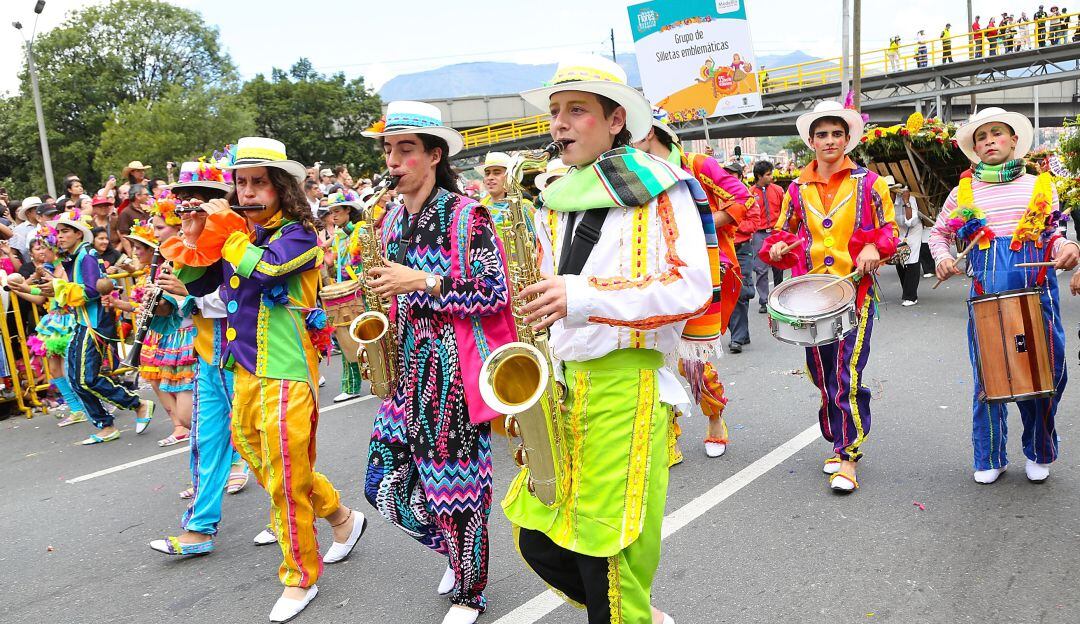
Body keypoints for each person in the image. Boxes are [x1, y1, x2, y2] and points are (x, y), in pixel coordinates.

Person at [505, 54, 714, 624]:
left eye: (578, 111)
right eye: (555, 112)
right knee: (538, 538)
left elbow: (693, 286)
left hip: (627, 387)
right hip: (564, 387)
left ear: (616, 119)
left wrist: (584, 296)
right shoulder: (553, 198)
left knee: (609, 558)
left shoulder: (662, 190)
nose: (560, 124)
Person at [174, 137, 365, 623]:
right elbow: (198, 286)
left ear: (281, 187)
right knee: (266, 466)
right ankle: (341, 518)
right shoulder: (238, 233)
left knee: (283, 481)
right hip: (243, 371)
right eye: (242, 182)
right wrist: (196, 235)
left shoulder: (299, 234)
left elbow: (268, 270)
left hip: (286, 371)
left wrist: (228, 229)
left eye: (259, 182)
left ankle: (300, 576)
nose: (249, 190)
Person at [361, 100, 515, 624]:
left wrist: (423, 282)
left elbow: (496, 293)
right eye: (388, 150)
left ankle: (471, 591)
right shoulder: (387, 222)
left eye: (405, 149)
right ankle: (459, 554)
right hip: (406, 366)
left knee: (458, 490)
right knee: (379, 481)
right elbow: (389, 291)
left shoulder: (465, 215)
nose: (393, 160)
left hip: (452, 368)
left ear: (434, 154)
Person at [930, 107, 1079, 484]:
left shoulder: (1039, 186)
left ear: (1014, 140)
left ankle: (1039, 450)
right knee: (989, 379)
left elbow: (1051, 234)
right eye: (981, 137)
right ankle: (990, 455)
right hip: (986, 298)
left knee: (1046, 376)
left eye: (997, 133)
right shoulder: (962, 192)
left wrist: (1067, 246)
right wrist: (944, 258)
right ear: (975, 149)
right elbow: (939, 235)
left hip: (1037, 294)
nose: (989, 141)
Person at [760, 100, 899, 493]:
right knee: (820, 375)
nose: (830, 140)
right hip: (808, 299)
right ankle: (836, 442)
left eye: (837, 133)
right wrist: (777, 249)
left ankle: (848, 456)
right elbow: (781, 233)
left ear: (848, 138)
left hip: (853, 294)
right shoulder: (797, 188)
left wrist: (876, 249)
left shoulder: (870, 184)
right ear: (810, 140)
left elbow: (890, 230)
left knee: (845, 375)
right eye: (822, 134)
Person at [632, 106, 751, 461]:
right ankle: (666, 434)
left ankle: (714, 415)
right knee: (651, 356)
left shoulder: (697, 166)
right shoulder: (632, 175)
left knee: (691, 360)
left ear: (650, 132)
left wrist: (699, 223)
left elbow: (743, 200)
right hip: (651, 277)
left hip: (701, 273)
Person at [150, 158, 253, 557]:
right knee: (206, 442)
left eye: (195, 200)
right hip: (208, 359)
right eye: (181, 201)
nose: (185, 209)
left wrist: (185, 297)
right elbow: (180, 314)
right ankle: (199, 529)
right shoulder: (182, 251)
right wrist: (162, 305)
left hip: (242, 357)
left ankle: (324, 516)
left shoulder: (235, 242)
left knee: (260, 444)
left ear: (215, 205)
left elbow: (240, 301)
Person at [47, 209, 155, 445]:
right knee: (76, 380)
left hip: (94, 324)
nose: (61, 237)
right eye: (59, 233)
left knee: (86, 378)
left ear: (78, 234)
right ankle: (105, 425)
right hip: (81, 322)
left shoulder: (86, 256)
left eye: (65, 232)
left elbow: (94, 289)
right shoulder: (73, 258)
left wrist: (61, 289)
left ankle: (137, 404)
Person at [323, 189, 366, 403]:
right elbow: (338, 266)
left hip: (362, 293)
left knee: (372, 342)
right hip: (345, 294)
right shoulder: (339, 237)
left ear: (348, 210)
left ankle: (388, 380)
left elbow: (365, 262)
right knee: (346, 341)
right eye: (331, 212)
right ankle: (351, 386)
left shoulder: (362, 231)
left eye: (337, 211)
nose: (334, 216)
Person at [750, 160, 786, 312]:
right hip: (759, 234)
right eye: (768, 174)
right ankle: (764, 301)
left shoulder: (778, 190)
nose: (771, 176)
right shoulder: (750, 193)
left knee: (779, 266)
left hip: (777, 233)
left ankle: (778, 297)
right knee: (761, 269)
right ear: (759, 176)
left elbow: (785, 212)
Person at [891, 182, 923, 305]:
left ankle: (911, 296)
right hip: (898, 231)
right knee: (898, 259)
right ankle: (907, 289)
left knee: (911, 260)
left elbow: (911, 222)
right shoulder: (884, 199)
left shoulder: (910, 198)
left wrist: (906, 201)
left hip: (913, 231)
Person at [117, 183, 152, 255]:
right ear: (137, 196)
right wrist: (130, 254)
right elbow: (124, 236)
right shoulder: (126, 212)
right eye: (146, 194)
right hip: (136, 251)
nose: (149, 197)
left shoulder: (148, 210)